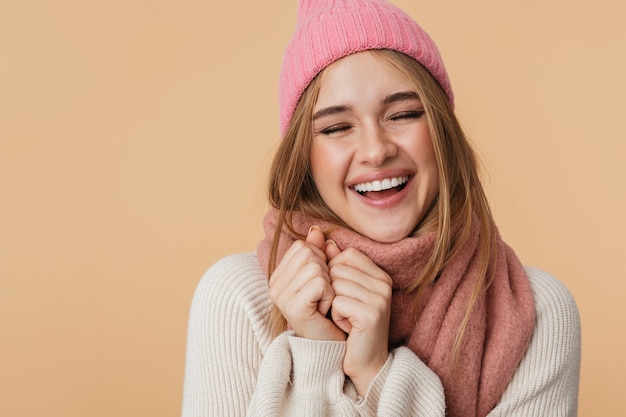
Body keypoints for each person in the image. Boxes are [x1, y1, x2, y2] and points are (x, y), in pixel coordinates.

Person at [181, 0, 581, 415]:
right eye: (337, 127)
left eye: (403, 114)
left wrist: (376, 373)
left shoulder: (537, 312)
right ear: (305, 159)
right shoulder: (236, 299)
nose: (375, 151)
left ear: (441, 131)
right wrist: (318, 355)